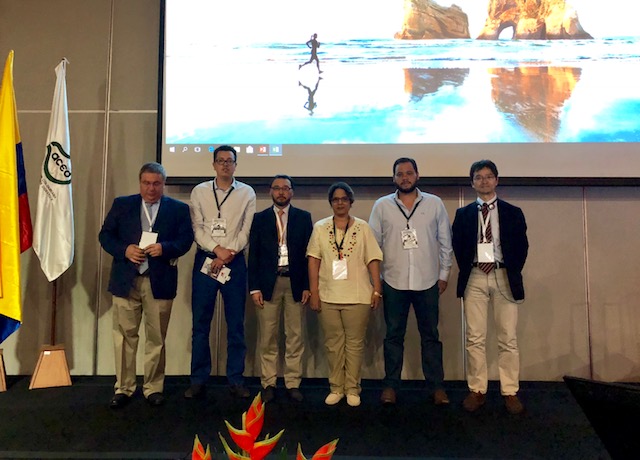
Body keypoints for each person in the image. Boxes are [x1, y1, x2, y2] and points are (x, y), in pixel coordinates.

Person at [99, 162, 193, 408]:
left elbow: (186, 240)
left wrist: (165, 248)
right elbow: (105, 236)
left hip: (159, 282)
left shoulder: (179, 209)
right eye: (146, 183)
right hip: (126, 280)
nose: (151, 188)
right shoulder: (122, 204)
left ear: (164, 184)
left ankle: (153, 387)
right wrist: (125, 250)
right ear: (140, 183)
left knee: (156, 338)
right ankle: (124, 388)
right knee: (124, 336)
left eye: (156, 184)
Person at [369, 158, 453, 406]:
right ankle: (391, 386)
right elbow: (373, 247)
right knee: (393, 337)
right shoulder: (382, 206)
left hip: (428, 281)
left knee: (431, 337)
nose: (404, 178)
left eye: (409, 173)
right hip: (393, 282)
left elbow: (445, 242)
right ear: (393, 178)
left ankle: (436, 387)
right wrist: (377, 281)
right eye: (400, 174)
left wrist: (444, 275)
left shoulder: (434, 203)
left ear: (417, 175)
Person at [452, 159, 529, 415]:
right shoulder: (463, 214)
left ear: (496, 180)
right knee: (475, 337)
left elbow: (522, 246)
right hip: (474, 276)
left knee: (508, 337)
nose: (483, 181)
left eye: (488, 176)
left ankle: (510, 391)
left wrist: (510, 269)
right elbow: (458, 246)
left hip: (503, 275)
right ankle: (477, 389)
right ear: (472, 183)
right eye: (478, 177)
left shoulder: (512, 212)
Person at [186, 145, 256, 399]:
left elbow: (246, 230)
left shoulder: (247, 192)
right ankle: (198, 379)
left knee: (236, 324)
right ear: (213, 165)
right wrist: (216, 250)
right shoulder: (200, 191)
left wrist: (228, 253)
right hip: (206, 260)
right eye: (221, 160)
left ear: (236, 165)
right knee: (200, 324)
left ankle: (235, 379)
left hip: (234, 263)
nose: (225, 164)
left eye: (230, 161)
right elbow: (197, 228)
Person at [307, 182, 382, 407]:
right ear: (331, 203)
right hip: (328, 295)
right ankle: (336, 388)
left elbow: (373, 259)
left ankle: (352, 388)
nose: (340, 203)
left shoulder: (363, 227)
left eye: (344, 199)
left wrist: (377, 289)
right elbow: (313, 260)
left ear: (351, 202)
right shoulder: (320, 227)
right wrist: (314, 291)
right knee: (333, 344)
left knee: (355, 344)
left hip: (358, 296)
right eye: (335, 199)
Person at [248, 174, 313, 403]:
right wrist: (254, 288)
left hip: (295, 283)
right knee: (268, 336)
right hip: (268, 283)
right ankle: (269, 383)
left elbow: (309, 255)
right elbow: (253, 255)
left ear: (292, 192)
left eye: (286, 188)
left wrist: (307, 286)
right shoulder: (260, 218)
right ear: (270, 191)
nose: (281, 192)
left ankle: (293, 383)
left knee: (295, 336)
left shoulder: (303, 218)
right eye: (277, 188)